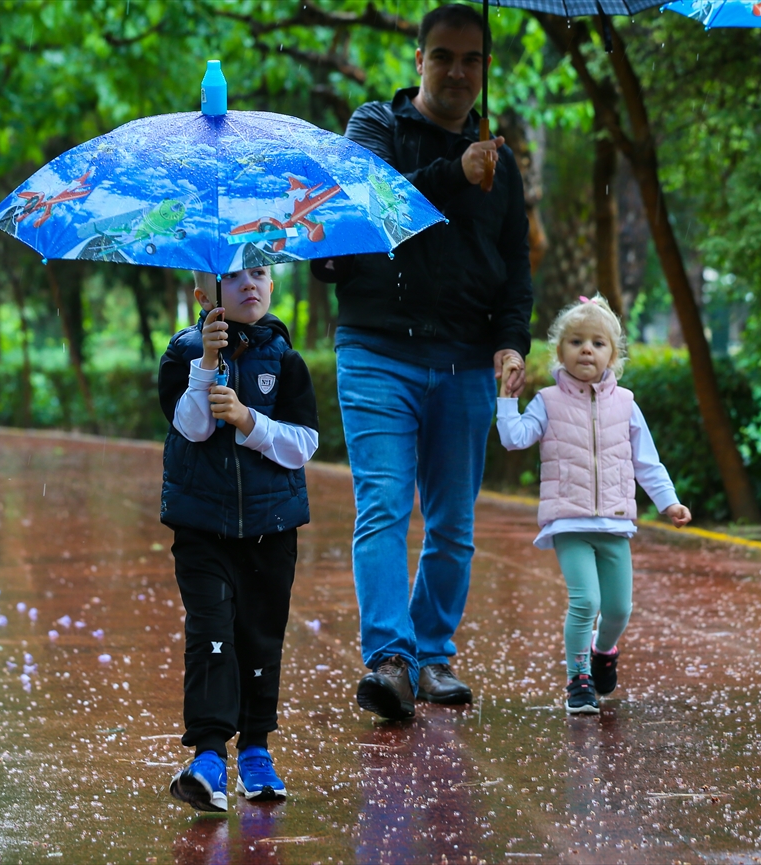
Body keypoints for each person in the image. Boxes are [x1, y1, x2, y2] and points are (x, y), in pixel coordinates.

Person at [310, 3, 532, 721]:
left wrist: (512, 340)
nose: (458, 72)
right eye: (443, 56)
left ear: (486, 68)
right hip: (378, 350)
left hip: (466, 361)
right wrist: (454, 172)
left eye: (472, 59)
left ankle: (433, 654)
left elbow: (514, 270)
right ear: (418, 61)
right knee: (382, 504)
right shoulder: (374, 127)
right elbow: (374, 206)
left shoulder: (502, 162)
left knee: (453, 525)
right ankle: (390, 660)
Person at [157, 266, 319, 811]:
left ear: (272, 286)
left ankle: (255, 751)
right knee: (210, 636)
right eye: (232, 276)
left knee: (259, 639)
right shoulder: (181, 358)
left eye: (260, 272)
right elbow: (191, 428)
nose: (249, 283)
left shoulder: (287, 360)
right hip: (202, 529)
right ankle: (207, 755)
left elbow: (303, 445)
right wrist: (205, 365)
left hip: (270, 532)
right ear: (205, 297)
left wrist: (251, 422)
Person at [496, 296, 691, 714]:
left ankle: (604, 652)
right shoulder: (548, 401)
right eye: (577, 341)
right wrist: (507, 400)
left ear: (613, 355)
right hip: (568, 521)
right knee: (586, 602)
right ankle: (578, 679)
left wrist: (669, 503)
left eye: (598, 343)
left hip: (615, 522)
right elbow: (514, 438)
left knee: (619, 608)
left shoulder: (626, 404)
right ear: (560, 350)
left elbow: (647, 461)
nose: (587, 349)